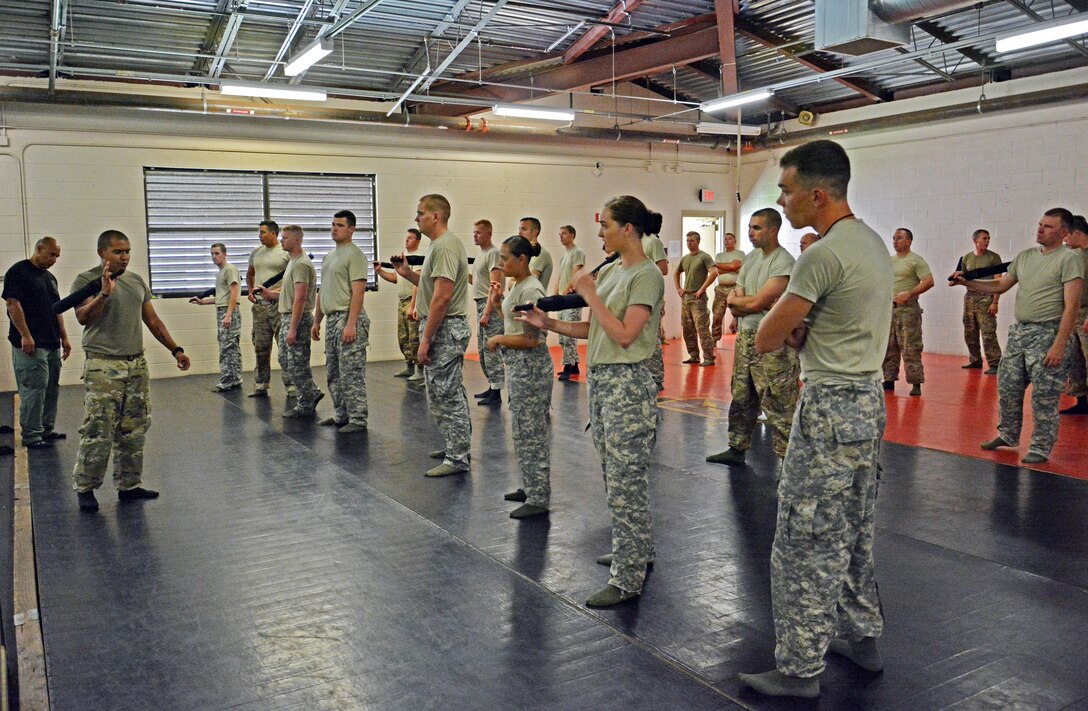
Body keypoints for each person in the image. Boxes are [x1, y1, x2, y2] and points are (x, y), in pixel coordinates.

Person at [738, 140, 893, 699]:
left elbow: (768, 334)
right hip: (868, 402)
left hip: (829, 405)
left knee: (803, 537)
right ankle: (863, 637)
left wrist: (792, 328)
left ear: (818, 194)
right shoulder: (872, 244)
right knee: (853, 527)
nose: (781, 200)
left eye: (786, 190)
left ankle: (800, 669)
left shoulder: (821, 255)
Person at [520, 195, 663, 608]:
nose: (599, 233)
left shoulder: (646, 276)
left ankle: (628, 577)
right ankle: (636, 549)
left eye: (606, 226)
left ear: (628, 230)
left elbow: (624, 334)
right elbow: (595, 331)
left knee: (625, 481)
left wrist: (588, 292)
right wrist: (548, 322)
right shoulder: (617, 270)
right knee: (615, 476)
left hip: (628, 384)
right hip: (603, 381)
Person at [70, 230, 191, 512]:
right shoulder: (86, 280)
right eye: (118, 252)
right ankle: (86, 487)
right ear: (102, 253)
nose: (124, 257)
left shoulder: (136, 281)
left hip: (135, 364)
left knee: (134, 427)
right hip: (103, 365)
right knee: (99, 428)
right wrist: (102, 294)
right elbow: (82, 317)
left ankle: (129, 484)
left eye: (127, 251)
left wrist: (176, 349)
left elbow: (152, 320)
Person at [955, 208, 1084, 464]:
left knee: (1044, 395)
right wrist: (966, 283)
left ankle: (1040, 446)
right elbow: (1001, 286)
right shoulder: (1025, 257)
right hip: (1020, 334)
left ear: (1064, 232)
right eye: (1040, 224)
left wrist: (1059, 346)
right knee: (1008, 387)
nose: (1040, 229)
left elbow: (1072, 306)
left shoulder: (1069, 259)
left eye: (1048, 226)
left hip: (1049, 333)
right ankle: (1008, 434)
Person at [707, 208, 799, 467]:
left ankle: (787, 460)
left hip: (772, 343)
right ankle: (736, 447)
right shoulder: (750, 259)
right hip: (746, 338)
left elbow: (761, 299)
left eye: (757, 228)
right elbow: (734, 300)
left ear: (773, 230)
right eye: (749, 227)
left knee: (778, 402)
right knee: (741, 396)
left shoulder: (783, 262)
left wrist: (745, 303)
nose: (751, 232)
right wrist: (746, 304)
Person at [394, 194, 472, 478]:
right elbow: (431, 286)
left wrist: (426, 339)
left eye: (420, 214)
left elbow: (442, 298)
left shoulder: (446, 247)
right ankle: (456, 445)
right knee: (444, 393)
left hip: (446, 328)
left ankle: (458, 456)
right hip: (441, 325)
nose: (416, 219)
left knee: (447, 394)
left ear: (435, 216)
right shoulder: (438, 247)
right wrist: (406, 274)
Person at [487, 236, 552, 519]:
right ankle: (530, 486)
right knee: (522, 431)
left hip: (531, 368)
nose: (501, 264)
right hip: (519, 368)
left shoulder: (532, 290)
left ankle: (539, 496)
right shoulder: (518, 286)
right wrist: (498, 299)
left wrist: (499, 338)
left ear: (522, 259)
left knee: (531, 432)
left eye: (505, 258)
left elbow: (531, 340)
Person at [3, 236, 71, 449]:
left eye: (57, 256)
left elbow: (57, 308)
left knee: (51, 387)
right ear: (39, 249)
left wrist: (65, 337)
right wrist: (25, 335)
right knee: (34, 389)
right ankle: (32, 436)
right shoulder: (18, 271)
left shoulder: (50, 278)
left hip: (51, 342)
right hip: (31, 344)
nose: (54, 260)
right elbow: (12, 305)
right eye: (52, 254)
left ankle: (46, 429)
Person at [254, 225, 322, 419]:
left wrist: (292, 328)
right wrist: (270, 294)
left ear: (297, 241)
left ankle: (306, 402)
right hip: (288, 317)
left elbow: (300, 299)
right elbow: (289, 293)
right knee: (286, 360)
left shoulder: (301, 263)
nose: (281, 240)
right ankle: (312, 392)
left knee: (297, 362)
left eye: (285, 238)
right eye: (282, 237)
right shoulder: (293, 262)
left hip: (297, 320)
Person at [311, 210, 369, 433]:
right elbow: (322, 291)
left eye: (340, 225)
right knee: (333, 371)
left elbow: (358, 293)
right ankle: (341, 414)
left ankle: (358, 418)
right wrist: (317, 321)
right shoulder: (329, 257)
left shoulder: (355, 255)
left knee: (351, 372)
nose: (334, 228)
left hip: (347, 317)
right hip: (332, 319)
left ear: (352, 229)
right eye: (333, 224)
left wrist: (351, 324)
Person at [882, 228, 934, 396]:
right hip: (890, 310)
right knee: (889, 346)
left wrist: (910, 294)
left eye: (899, 238)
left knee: (910, 347)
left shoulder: (916, 261)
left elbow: (928, 281)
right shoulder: (889, 261)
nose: (895, 241)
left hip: (908, 311)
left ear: (909, 241)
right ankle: (888, 379)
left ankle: (915, 383)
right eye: (894, 238)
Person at [189, 243, 242, 393]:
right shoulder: (220, 273)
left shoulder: (230, 270)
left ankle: (227, 381)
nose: (214, 256)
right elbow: (221, 297)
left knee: (227, 347)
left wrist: (229, 314)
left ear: (225, 254)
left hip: (228, 311)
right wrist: (203, 302)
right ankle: (235, 378)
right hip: (223, 309)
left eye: (217, 253)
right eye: (212, 254)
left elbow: (234, 293)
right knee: (231, 347)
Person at [246, 220, 290, 398]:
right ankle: (261, 383)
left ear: (274, 233)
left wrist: (274, 292)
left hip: (280, 306)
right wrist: (250, 291)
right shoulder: (256, 252)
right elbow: (250, 274)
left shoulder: (284, 253)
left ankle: (291, 385)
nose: (259, 235)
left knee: (285, 348)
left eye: (263, 232)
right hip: (260, 308)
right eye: (259, 232)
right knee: (261, 346)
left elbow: (291, 280)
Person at [374, 228, 424, 383]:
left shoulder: (418, 258)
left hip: (412, 301)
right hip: (402, 301)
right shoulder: (404, 257)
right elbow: (395, 278)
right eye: (406, 237)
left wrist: (413, 305)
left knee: (415, 336)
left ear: (417, 240)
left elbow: (418, 283)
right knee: (403, 337)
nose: (407, 240)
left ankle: (420, 371)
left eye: (410, 237)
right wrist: (380, 271)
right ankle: (409, 367)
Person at [469, 219, 506, 406]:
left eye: (478, 232)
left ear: (489, 233)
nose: (474, 235)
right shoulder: (480, 255)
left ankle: (497, 392)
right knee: (483, 349)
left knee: (492, 349)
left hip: (489, 304)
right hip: (481, 304)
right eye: (474, 232)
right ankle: (492, 387)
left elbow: (494, 286)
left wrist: (487, 312)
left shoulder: (494, 253)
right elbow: (477, 281)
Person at [960, 229, 1003, 374]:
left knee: (988, 332)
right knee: (969, 331)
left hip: (987, 297)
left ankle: (995, 364)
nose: (987, 241)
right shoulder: (966, 258)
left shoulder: (993, 258)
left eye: (988, 239)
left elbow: (999, 282)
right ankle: (975, 360)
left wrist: (995, 302)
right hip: (970, 298)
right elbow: (964, 278)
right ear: (975, 241)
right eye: (984, 238)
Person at [674, 231, 717, 366]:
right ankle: (694, 356)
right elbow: (676, 272)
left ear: (698, 241)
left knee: (702, 328)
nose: (689, 243)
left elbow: (714, 272)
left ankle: (709, 357)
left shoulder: (704, 257)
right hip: (686, 297)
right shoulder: (685, 258)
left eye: (692, 240)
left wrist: (702, 289)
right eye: (687, 240)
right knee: (687, 328)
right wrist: (678, 288)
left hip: (698, 299)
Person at [1060, 215, 1088, 414]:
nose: (1065, 240)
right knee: (1073, 359)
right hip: (1072, 313)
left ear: (1077, 233)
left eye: (1067, 235)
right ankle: (1081, 401)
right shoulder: (1074, 255)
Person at [555, 224, 586, 380]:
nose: (561, 236)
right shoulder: (564, 255)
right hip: (562, 298)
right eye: (560, 234)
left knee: (569, 335)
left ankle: (569, 365)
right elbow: (561, 275)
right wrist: (556, 292)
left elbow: (576, 275)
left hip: (571, 299)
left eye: (564, 233)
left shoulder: (577, 253)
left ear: (572, 235)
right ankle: (573, 365)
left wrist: (567, 291)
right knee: (562, 335)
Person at [641, 230, 669, 391]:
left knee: (653, 336)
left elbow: (663, 269)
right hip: (639, 295)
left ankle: (656, 377)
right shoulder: (638, 241)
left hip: (651, 295)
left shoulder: (652, 241)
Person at [711, 232, 744, 344]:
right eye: (725, 239)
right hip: (720, 289)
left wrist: (726, 266)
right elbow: (717, 270)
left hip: (734, 288)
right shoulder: (719, 255)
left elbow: (736, 266)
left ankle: (741, 337)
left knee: (739, 313)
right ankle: (714, 339)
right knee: (717, 315)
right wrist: (731, 267)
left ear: (735, 241)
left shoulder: (739, 253)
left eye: (730, 239)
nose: (727, 241)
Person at [519, 217, 554, 292]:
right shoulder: (526, 254)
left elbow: (528, 284)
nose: (519, 233)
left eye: (524, 229)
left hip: (533, 300)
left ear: (535, 232)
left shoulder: (540, 254)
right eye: (519, 229)